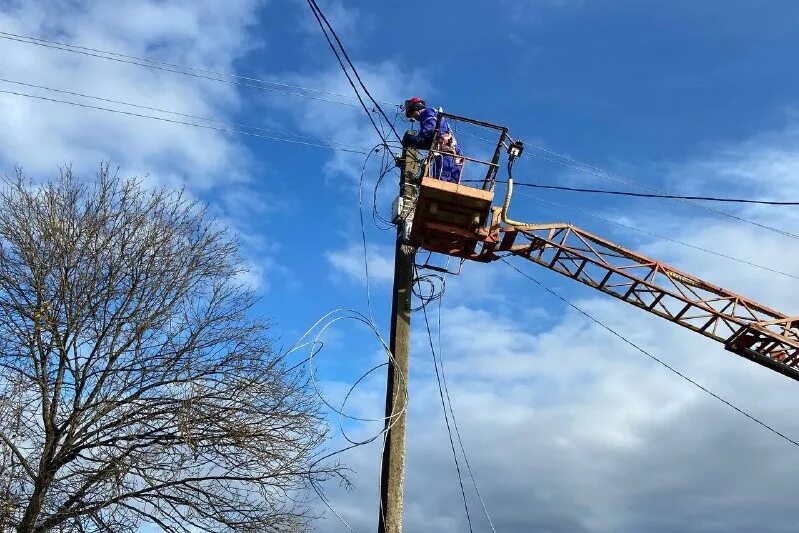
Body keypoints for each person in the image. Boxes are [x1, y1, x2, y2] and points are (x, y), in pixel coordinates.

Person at [401, 97, 463, 183]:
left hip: (444, 151)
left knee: (441, 182)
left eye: (412, 113)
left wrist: (412, 140)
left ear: (416, 108)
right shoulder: (435, 115)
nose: (413, 117)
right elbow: (428, 142)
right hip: (455, 153)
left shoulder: (427, 113)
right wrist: (415, 143)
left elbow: (428, 129)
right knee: (451, 184)